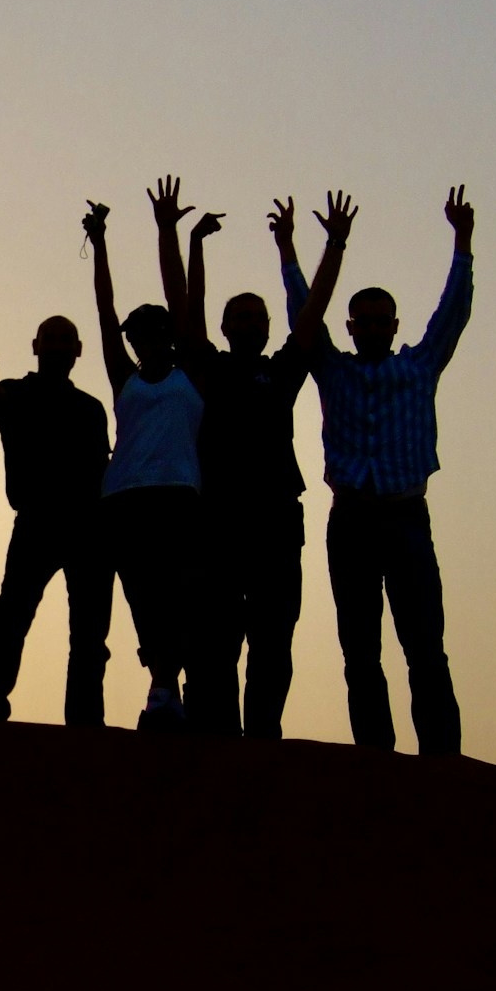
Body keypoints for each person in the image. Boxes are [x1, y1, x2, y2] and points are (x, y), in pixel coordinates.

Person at [287, 186, 474, 755]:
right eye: (361, 321)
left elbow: (453, 314)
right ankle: (374, 758)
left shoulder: (418, 367)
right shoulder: (333, 370)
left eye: (378, 321)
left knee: (425, 647)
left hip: (404, 520)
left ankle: (441, 758)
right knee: (360, 651)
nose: (369, 328)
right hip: (351, 523)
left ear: (394, 326)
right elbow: (304, 320)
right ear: (350, 328)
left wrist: (462, 241)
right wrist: (293, 252)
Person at [172, 196, 313, 738]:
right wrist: (192, 244)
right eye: (243, 316)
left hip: (277, 521)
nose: (252, 323)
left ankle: (263, 737)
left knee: (274, 638)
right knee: (215, 640)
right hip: (218, 523)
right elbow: (188, 311)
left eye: (260, 317)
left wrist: (299, 247)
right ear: (227, 327)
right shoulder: (210, 369)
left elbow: (310, 317)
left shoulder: (279, 374)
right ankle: (213, 737)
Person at [85, 180, 211, 731]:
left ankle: (168, 688)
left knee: (177, 592)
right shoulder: (125, 378)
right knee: (142, 596)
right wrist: (101, 242)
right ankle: (162, 687)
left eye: (156, 331)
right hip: (124, 497)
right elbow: (103, 307)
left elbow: (190, 305)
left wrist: (174, 234)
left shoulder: (192, 373)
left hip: (179, 494)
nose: (148, 339)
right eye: (139, 334)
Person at [0, 317, 112, 725]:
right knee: (13, 615)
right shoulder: (17, 392)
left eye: (66, 340)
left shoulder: (90, 408)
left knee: (87, 632)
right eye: (51, 339)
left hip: (88, 526)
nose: (58, 347)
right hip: (38, 520)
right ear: (36, 346)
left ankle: (84, 719)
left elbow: (101, 469)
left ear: (78, 350)